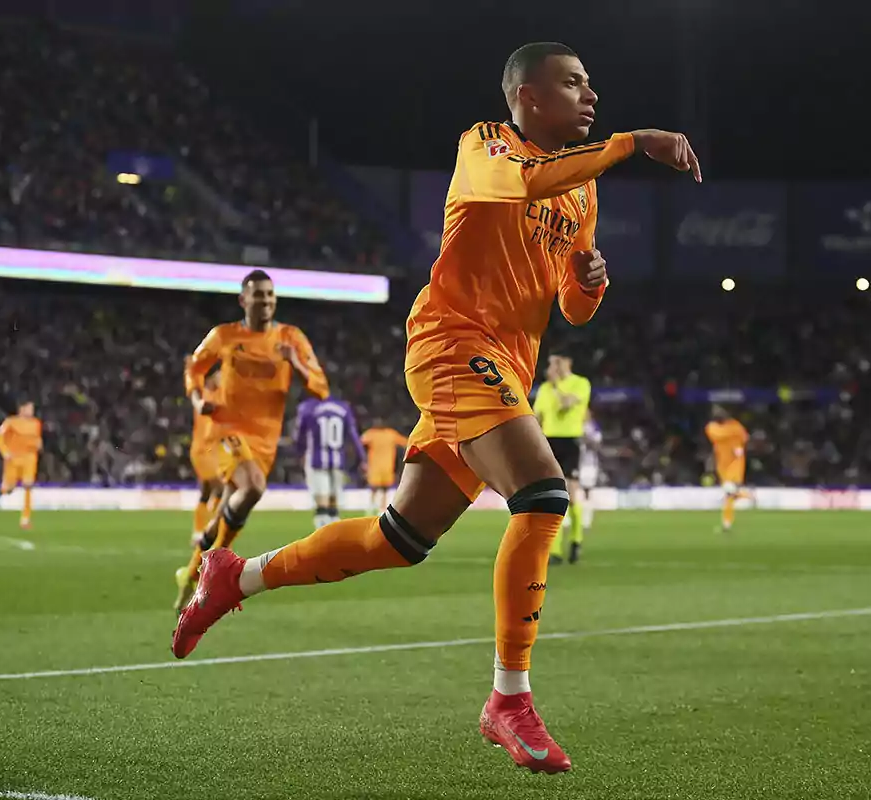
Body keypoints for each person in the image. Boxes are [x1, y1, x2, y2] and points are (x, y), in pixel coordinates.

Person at [172, 41, 700, 774]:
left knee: (398, 541)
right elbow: (521, 186)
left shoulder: (582, 191)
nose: (592, 95)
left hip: (504, 366)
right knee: (545, 496)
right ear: (528, 97)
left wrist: (588, 281)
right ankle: (508, 699)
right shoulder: (484, 145)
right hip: (453, 344)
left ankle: (235, 575)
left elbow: (571, 308)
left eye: (592, 86)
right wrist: (633, 143)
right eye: (575, 82)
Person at [172, 269, 330, 614]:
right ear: (243, 300)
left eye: (270, 296)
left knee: (224, 517)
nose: (266, 302)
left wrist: (295, 364)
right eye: (258, 295)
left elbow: (320, 387)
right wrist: (198, 401)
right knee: (253, 487)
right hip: (226, 431)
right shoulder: (224, 336)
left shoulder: (291, 338)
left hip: (264, 442)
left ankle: (191, 578)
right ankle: (214, 575)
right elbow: (194, 369)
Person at [533, 353, 591, 565]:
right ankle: (554, 552)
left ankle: (576, 539)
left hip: (570, 442)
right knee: (551, 497)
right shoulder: (545, 389)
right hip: (549, 443)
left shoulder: (580, 384)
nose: (551, 367)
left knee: (572, 496)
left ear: (567, 362)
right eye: (549, 364)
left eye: (555, 362)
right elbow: (536, 417)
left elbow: (567, 404)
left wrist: (557, 385)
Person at [294, 395, 365, 529]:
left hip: (316, 459)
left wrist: (299, 452)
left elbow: (300, 435)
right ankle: (333, 534)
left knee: (321, 500)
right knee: (334, 501)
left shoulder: (308, 407)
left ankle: (322, 532)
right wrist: (362, 458)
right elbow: (353, 435)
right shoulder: (343, 407)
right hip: (338, 460)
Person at [187, 370, 223, 545]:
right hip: (203, 450)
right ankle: (213, 529)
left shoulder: (218, 394)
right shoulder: (206, 395)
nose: (223, 378)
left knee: (206, 491)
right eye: (220, 375)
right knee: (221, 487)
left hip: (213, 449)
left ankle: (199, 531)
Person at [0, 401, 42, 529]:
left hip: (29, 458)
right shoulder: (10, 422)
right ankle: (3, 491)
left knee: (28, 486)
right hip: (13, 458)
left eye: (32, 408)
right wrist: (5, 452)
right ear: (22, 409)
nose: (31, 411)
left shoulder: (36, 423)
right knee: (9, 488)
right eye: (29, 408)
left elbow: (36, 439)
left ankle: (25, 519)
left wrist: (38, 444)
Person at [704, 405, 750, 531]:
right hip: (723, 467)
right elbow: (744, 438)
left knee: (729, 493)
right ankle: (748, 496)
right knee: (730, 494)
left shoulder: (719, 428)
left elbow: (743, 440)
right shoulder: (734, 428)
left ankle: (727, 524)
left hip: (735, 466)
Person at [360, 419, 409, 515]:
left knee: (376, 487)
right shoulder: (390, 434)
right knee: (383, 488)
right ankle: (380, 508)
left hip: (376, 466)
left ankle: (372, 507)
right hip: (386, 466)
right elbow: (406, 442)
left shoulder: (372, 434)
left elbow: (360, 441)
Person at [576, 410, 603, 538]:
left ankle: (586, 520)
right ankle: (569, 519)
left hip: (589, 464)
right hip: (575, 462)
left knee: (587, 491)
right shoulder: (573, 425)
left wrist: (586, 438)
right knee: (571, 491)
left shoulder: (593, 427)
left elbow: (597, 445)